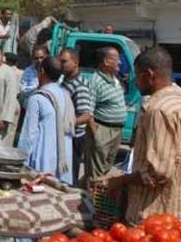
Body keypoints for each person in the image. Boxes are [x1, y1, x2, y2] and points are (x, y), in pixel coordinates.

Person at [106, 48, 181, 226]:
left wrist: (121, 180)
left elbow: (158, 171)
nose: (134, 81)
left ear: (149, 75)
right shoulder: (177, 98)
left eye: (137, 75)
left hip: (154, 214)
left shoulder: (158, 110)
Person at [18, 57, 75, 184]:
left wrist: (21, 163)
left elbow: (28, 135)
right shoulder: (65, 95)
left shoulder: (37, 98)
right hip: (63, 162)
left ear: (42, 71)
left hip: (43, 162)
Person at [84, 47, 127, 180]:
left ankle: (95, 194)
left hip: (116, 130)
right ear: (106, 61)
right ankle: (90, 198)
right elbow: (88, 111)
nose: (119, 62)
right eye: (116, 59)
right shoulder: (95, 81)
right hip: (102, 130)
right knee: (96, 171)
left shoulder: (114, 78)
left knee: (107, 167)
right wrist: (95, 134)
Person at [60, 48, 92, 187]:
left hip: (74, 138)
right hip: (66, 135)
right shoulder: (66, 80)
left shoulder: (80, 85)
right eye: (60, 61)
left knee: (70, 175)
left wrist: (66, 124)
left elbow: (85, 115)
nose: (61, 64)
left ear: (75, 62)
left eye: (64, 61)